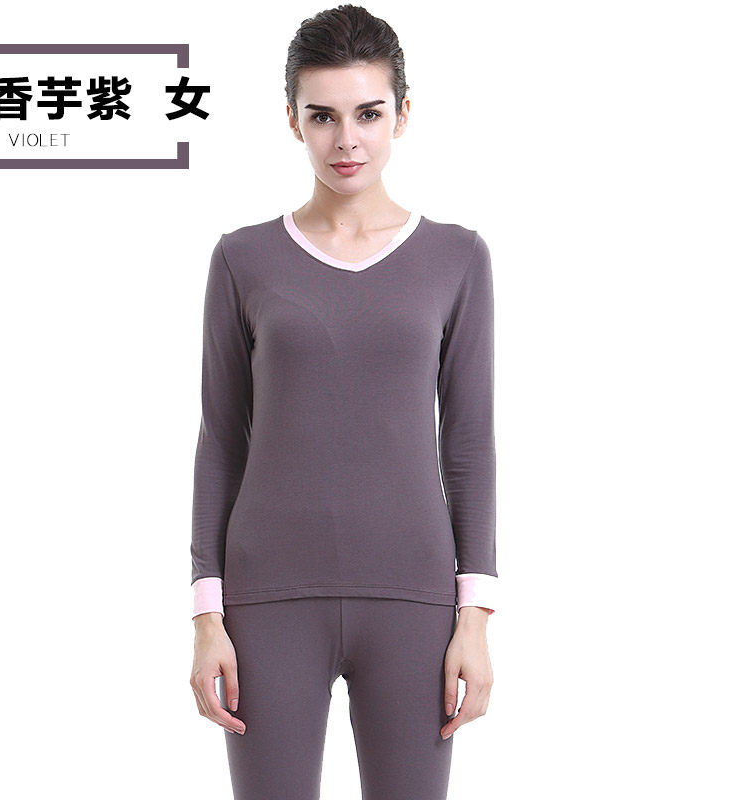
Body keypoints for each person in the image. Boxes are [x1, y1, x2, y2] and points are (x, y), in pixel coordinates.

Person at [188, 5, 498, 798]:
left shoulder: (457, 257)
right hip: (266, 600)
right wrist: (205, 615)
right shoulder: (243, 259)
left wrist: (475, 617)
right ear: (292, 120)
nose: (346, 140)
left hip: (413, 599)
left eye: (368, 113)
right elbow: (221, 439)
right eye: (322, 116)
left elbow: (468, 445)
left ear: (403, 114)